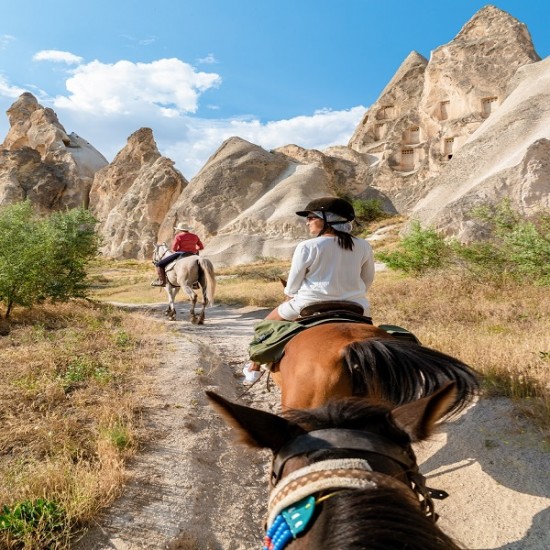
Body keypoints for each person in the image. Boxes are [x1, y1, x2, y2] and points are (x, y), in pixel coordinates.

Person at [243, 196, 376, 383]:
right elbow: (367, 279)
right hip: (357, 305)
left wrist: (288, 295)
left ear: (328, 218)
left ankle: (254, 368)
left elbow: (293, 284)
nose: (307, 222)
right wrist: (352, 293)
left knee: (265, 324)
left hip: (309, 303)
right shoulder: (363, 245)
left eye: (312, 217)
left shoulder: (308, 246)